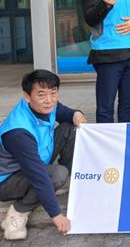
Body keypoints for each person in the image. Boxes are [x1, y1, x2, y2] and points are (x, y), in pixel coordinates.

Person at [0, 70, 87, 240]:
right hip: (6, 180)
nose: (48, 100)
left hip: (35, 160)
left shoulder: (47, 106)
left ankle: (56, 184)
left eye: (53, 93)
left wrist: (76, 114)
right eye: (41, 94)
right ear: (27, 96)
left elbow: (64, 112)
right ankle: (17, 213)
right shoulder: (18, 133)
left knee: (71, 127)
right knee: (57, 174)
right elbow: (38, 175)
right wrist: (56, 215)